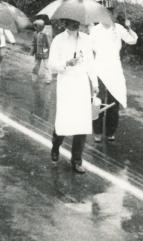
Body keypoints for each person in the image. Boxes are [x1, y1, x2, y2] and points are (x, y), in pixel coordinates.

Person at [48, 18, 100, 174]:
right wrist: (66, 63)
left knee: (82, 122)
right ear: (65, 23)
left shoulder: (86, 39)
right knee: (64, 120)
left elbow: (90, 63)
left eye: (77, 21)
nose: (75, 24)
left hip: (81, 83)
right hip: (66, 82)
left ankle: (76, 160)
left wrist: (95, 83)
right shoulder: (58, 40)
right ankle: (56, 146)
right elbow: (51, 65)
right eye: (71, 22)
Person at [91, 5, 138, 143]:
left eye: (112, 15)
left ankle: (110, 132)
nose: (110, 18)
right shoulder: (95, 30)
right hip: (99, 66)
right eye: (107, 15)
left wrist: (129, 28)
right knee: (97, 101)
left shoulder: (118, 28)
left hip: (114, 67)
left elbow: (132, 40)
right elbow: (90, 48)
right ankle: (97, 132)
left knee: (114, 99)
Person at [30, 19, 52, 84]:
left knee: (47, 66)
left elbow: (49, 43)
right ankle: (34, 77)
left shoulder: (45, 34)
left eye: (36, 26)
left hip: (45, 52)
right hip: (37, 52)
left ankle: (48, 79)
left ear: (40, 27)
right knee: (36, 65)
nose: (35, 28)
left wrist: (51, 51)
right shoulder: (35, 33)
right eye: (34, 26)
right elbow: (33, 43)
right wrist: (32, 51)